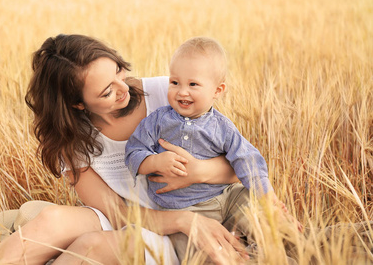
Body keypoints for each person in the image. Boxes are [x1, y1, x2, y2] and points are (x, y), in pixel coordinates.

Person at [0, 34, 248, 265]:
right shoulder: (72, 138)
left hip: (186, 218)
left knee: (91, 245)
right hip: (129, 218)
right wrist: (182, 221)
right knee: (51, 220)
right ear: (78, 105)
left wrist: (198, 172)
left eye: (119, 71)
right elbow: (116, 212)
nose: (125, 89)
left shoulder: (168, 92)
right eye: (107, 91)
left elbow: (239, 166)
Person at [125, 37, 292, 262]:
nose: (182, 92)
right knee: (197, 257)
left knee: (267, 223)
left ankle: (280, 254)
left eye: (193, 84)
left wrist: (267, 197)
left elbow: (247, 159)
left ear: (217, 90)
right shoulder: (158, 121)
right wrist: (153, 162)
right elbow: (133, 150)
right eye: (175, 82)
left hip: (227, 197)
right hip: (184, 210)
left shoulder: (222, 126)